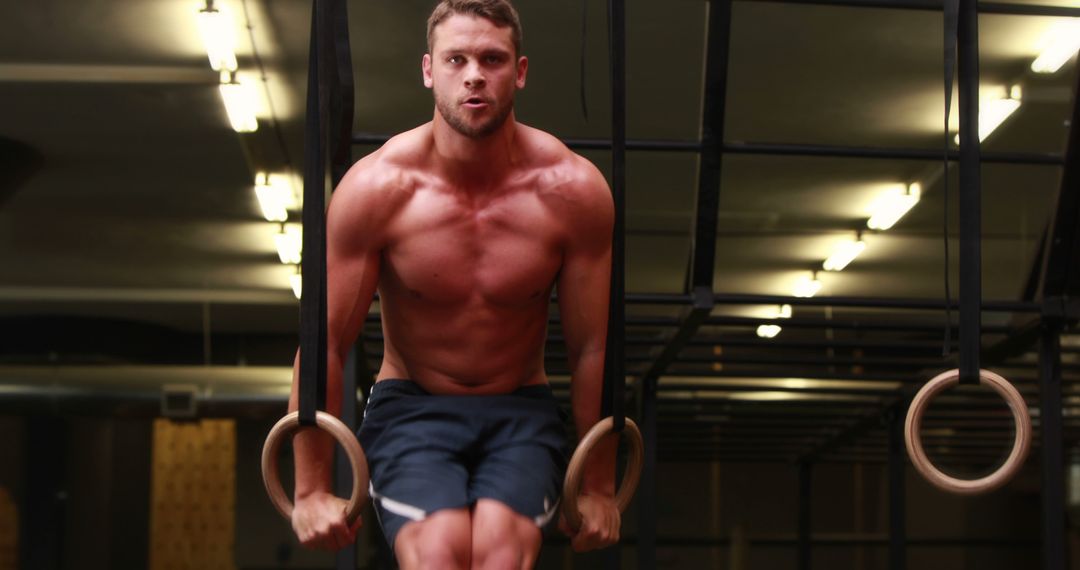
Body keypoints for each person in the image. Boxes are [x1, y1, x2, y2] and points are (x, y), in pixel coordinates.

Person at [286, 0, 619, 567]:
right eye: (456, 59)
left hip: (520, 408)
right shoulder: (377, 190)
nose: (473, 75)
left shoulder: (572, 191)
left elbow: (593, 349)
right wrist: (311, 488)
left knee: (498, 550)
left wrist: (599, 484)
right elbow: (326, 346)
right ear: (427, 70)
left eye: (492, 59)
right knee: (439, 551)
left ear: (519, 72)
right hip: (411, 407)